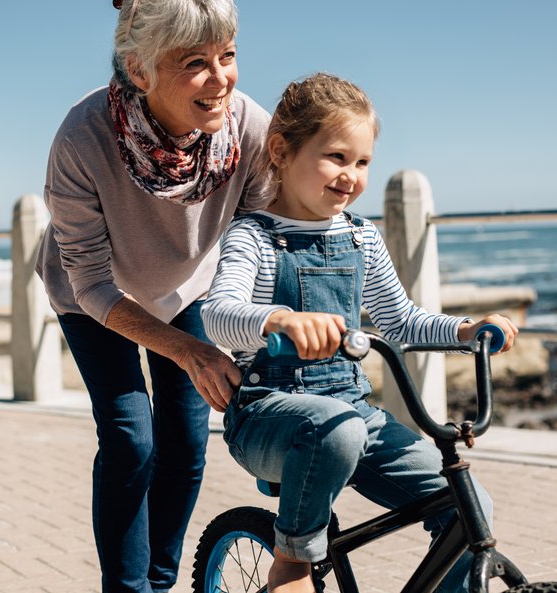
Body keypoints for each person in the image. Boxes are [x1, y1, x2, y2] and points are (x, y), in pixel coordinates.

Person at [201, 73, 519, 593]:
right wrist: (277, 319)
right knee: (334, 431)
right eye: (335, 157)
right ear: (281, 151)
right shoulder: (255, 236)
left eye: (363, 162)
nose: (350, 176)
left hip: (355, 413)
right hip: (267, 413)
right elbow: (219, 312)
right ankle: (293, 561)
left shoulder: (361, 236)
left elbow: (401, 321)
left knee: (469, 505)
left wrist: (466, 329)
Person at [34, 0, 271, 591]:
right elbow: (90, 282)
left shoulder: (248, 128)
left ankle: (160, 583)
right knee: (130, 439)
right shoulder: (82, 137)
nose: (221, 79)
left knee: (187, 443)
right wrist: (189, 353)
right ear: (139, 71)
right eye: (196, 62)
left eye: (229, 56)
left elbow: (266, 245)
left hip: (189, 286)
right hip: (94, 294)